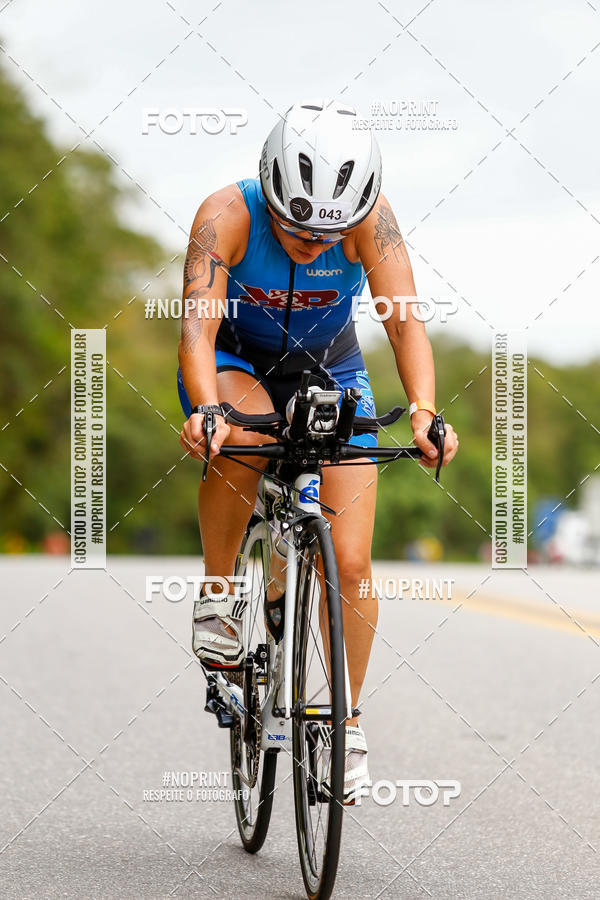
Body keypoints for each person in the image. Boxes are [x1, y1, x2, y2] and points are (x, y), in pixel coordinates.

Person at [177, 99, 458, 803]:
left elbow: (405, 327)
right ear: (269, 190)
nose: (309, 243)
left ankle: (345, 724)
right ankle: (218, 595)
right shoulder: (224, 215)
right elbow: (197, 333)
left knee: (354, 561)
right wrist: (208, 411)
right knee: (244, 433)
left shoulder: (375, 221)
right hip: (236, 364)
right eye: (295, 226)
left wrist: (424, 411)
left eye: (324, 234)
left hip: (332, 367)